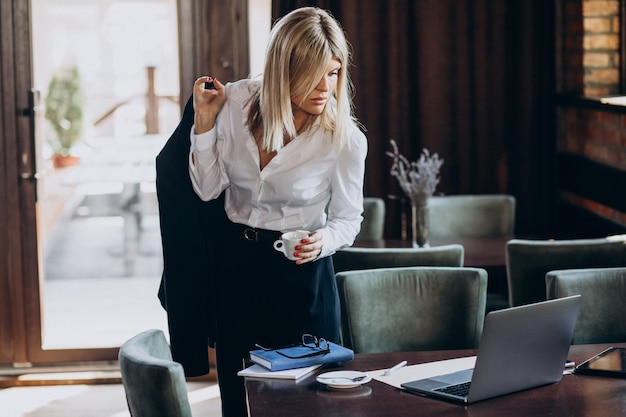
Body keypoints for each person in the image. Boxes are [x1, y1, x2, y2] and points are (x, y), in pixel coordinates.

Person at [188, 7, 367, 417]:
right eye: (314, 74)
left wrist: (323, 241)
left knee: (309, 403)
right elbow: (207, 189)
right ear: (283, 70)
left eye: (335, 72)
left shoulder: (345, 139)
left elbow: (348, 220)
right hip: (236, 267)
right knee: (239, 396)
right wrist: (204, 121)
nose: (326, 87)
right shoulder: (231, 103)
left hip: (303, 273)